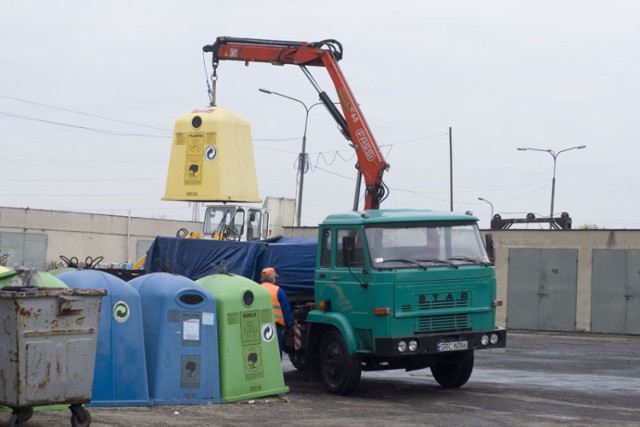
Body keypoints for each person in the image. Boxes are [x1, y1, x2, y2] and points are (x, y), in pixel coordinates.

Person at [260, 267, 293, 357]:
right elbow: (286, 309)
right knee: (276, 349)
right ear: (272, 278)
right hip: (276, 326)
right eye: (274, 277)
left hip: (261, 325)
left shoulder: (257, 290)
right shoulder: (278, 291)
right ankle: (276, 370)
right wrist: (290, 325)